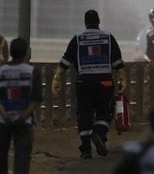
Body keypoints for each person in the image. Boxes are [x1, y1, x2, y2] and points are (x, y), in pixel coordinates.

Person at [51, 9, 127, 158]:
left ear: (85, 22)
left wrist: (57, 79)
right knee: (104, 111)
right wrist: (123, 79)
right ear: (99, 21)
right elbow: (117, 62)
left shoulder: (77, 39)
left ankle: (86, 149)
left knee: (84, 113)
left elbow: (65, 61)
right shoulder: (108, 37)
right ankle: (99, 134)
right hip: (104, 81)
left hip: (83, 82)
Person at [0, 38, 42, 174]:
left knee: (1, 156)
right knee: (22, 157)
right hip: (24, 122)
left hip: (3, 122)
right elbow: (36, 99)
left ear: (11, 52)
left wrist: (6, 117)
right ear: (25, 52)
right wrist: (23, 117)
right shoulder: (32, 71)